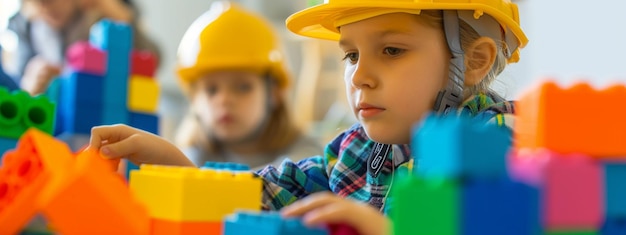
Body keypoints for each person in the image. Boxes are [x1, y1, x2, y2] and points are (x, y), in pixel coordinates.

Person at [87, 0, 527, 234]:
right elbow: (274, 195)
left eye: (391, 50)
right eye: (351, 54)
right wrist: (182, 170)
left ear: (472, 61)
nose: (360, 76)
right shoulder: (357, 151)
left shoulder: (505, 142)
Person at [174, 1, 323, 170]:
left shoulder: (306, 153)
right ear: (194, 100)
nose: (224, 99)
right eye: (211, 90)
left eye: (243, 87)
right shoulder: (194, 155)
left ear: (274, 92)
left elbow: (289, 179)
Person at [4, 0, 160, 95]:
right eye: (36, 2)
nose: (45, 7)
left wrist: (121, 18)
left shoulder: (100, 15)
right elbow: (18, 88)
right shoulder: (27, 27)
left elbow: (153, 60)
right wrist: (29, 86)